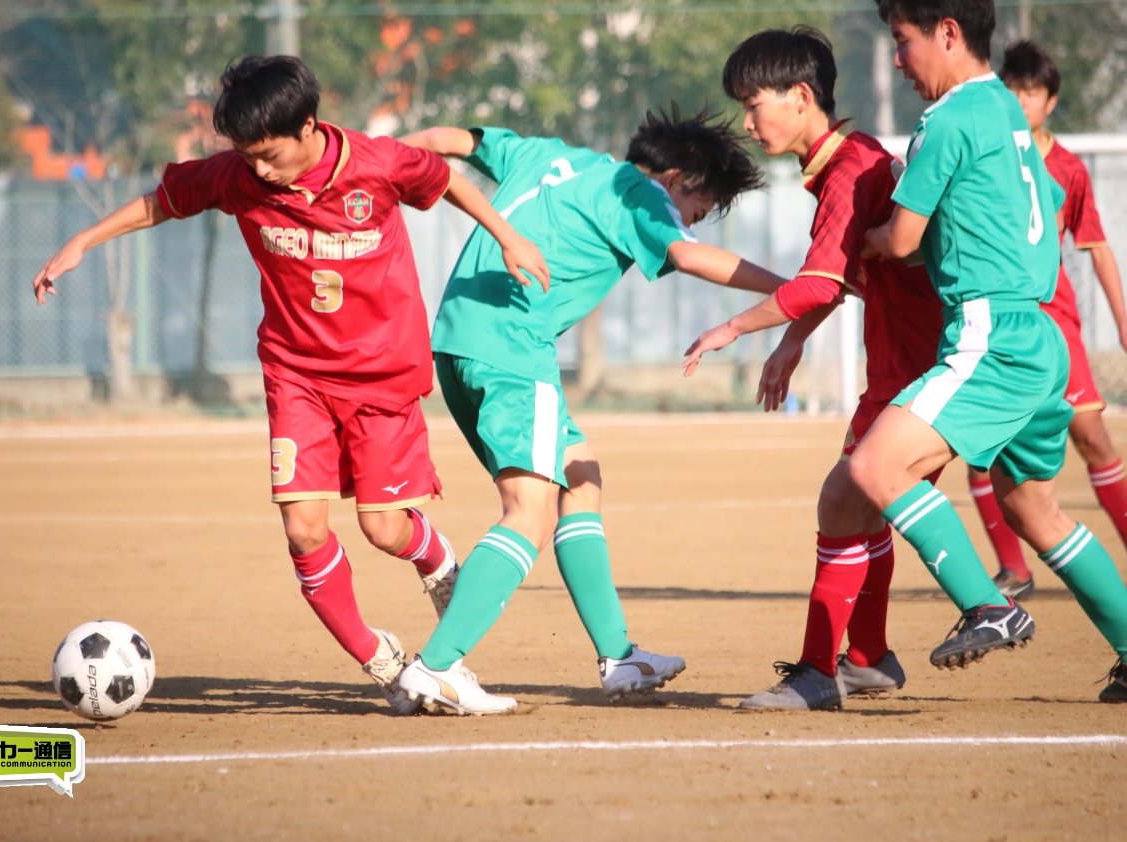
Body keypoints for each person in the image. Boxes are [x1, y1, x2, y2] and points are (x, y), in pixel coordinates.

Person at [30, 56, 551, 714]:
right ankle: (385, 662)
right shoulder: (238, 174)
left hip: (382, 374)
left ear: (309, 125)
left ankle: (435, 559)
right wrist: (83, 240)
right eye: (247, 156)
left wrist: (507, 237)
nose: (260, 171)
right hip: (296, 373)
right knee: (304, 529)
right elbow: (161, 201)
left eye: (269, 155)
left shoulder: (377, 163)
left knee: (383, 529)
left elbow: (447, 179)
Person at [393, 106, 784, 715]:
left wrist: (380, 164)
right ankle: (437, 666)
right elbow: (688, 257)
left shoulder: (549, 154)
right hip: (514, 352)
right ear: (675, 178)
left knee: (582, 478)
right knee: (527, 513)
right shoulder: (640, 192)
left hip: (456, 342)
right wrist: (793, 287)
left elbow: (448, 139)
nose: (686, 223)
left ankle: (619, 656)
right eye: (696, 210)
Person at [851, 0, 1127, 701]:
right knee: (1035, 511)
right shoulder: (1006, 107)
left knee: (876, 465)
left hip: (989, 336)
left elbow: (903, 240)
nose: (898, 60)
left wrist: (867, 239)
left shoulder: (947, 119)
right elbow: (1030, 204)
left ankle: (987, 606)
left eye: (903, 41)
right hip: (1041, 333)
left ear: (948, 33)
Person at [682, 26, 945, 711]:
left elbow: (817, 282)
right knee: (865, 505)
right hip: (909, 359)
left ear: (800, 97)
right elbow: (837, 276)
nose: (747, 122)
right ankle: (868, 657)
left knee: (843, 500)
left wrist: (732, 328)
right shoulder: (849, 161)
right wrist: (793, 341)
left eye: (753, 103)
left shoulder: (849, 169)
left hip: (921, 367)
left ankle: (819, 672)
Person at [964, 39, 1127, 602]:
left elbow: (1098, 247)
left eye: (1031, 93)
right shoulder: (987, 154)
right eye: (1013, 91)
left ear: (1050, 102)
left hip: (1054, 323)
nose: (1021, 102)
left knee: (1093, 439)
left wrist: (1122, 320)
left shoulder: (1067, 168)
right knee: (982, 446)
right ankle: (1014, 570)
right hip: (999, 323)